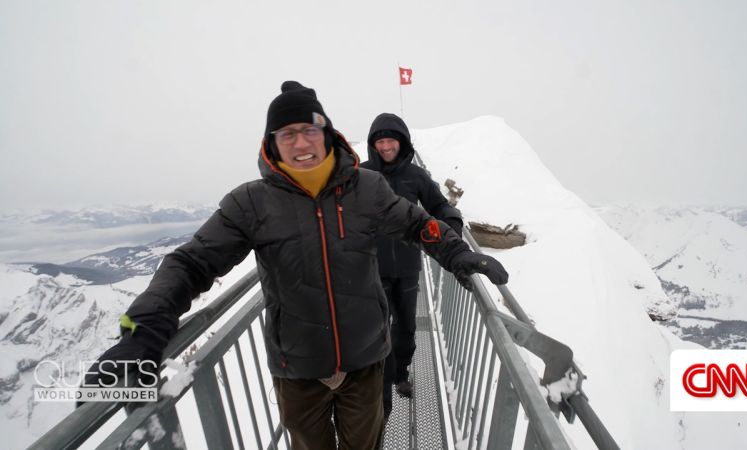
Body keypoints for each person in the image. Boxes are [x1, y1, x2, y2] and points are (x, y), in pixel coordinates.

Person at [82, 81, 508, 450]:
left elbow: (418, 224)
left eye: (309, 129)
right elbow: (191, 263)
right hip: (298, 373)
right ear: (271, 143)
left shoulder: (368, 189)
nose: (301, 143)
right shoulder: (250, 203)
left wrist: (456, 253)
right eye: (287, 134)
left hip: (365, 363)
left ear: (328, 134)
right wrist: (143, 332)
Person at [361, 113, 463, 419]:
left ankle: (401, 372)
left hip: (407, 266)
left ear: (402, 142)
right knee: (378, 331)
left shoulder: (416, 177)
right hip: (373, 268)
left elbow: (439, 205)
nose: (386, 146)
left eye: (391, 139)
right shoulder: (362, 175)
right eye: (380, 140)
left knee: (405, 327)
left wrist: (452, 223)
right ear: (373, 145)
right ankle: (381, 381)